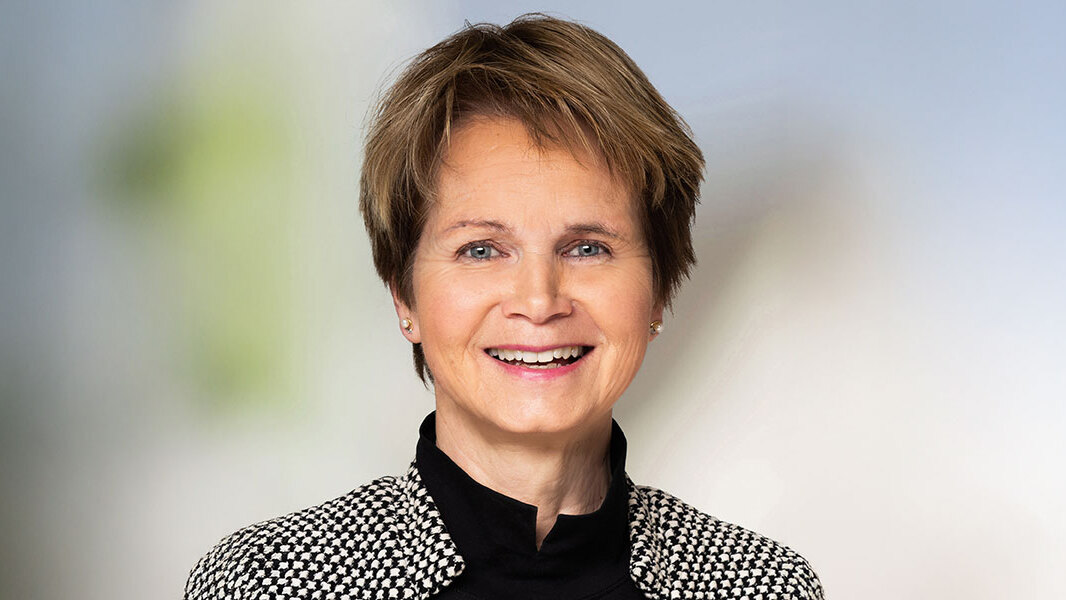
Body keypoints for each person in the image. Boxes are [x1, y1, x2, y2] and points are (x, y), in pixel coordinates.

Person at [185, 14, 823, 600]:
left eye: (588, 248)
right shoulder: (271, 583)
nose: (539, 301)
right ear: (403, 294)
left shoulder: (763, 588)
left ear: (659, 289)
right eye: (481, 250)